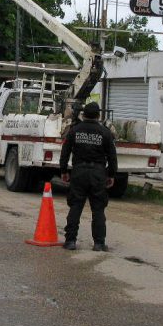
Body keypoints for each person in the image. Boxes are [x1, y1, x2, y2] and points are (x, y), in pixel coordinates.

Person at [60, 102, 119, 252]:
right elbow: (112, 156)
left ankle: (70, 241)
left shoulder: (75, 130)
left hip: (79, 172)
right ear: (99, 115)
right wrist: (111, 174)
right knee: (98, 209)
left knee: (76, 206)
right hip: (98, 174)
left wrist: (64, 171)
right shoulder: (105, 132)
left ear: (83, 114)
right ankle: (99, 243)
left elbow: (65, 151)